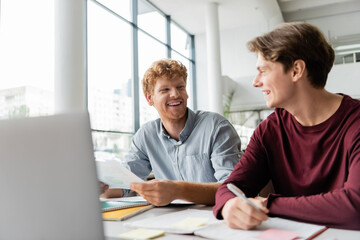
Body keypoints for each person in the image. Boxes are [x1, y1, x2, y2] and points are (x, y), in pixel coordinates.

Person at [213, 22, 360, 230]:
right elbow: (229, 187)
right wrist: (229, 205)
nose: (256, 82)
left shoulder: (356, 123)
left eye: (263, 70)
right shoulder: (269, 130)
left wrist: (268, 204)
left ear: (296, 70)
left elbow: (355, 207)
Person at [101, 59, 242, 206]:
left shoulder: (216, 127)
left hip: (216, 217)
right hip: (170, 220)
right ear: (150, 98)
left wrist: (177, 190)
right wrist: (102, 187)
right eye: (165, 90)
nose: (175, 94)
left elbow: (233, 188)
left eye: (180, 87)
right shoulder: (145, 135)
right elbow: (125, 183)